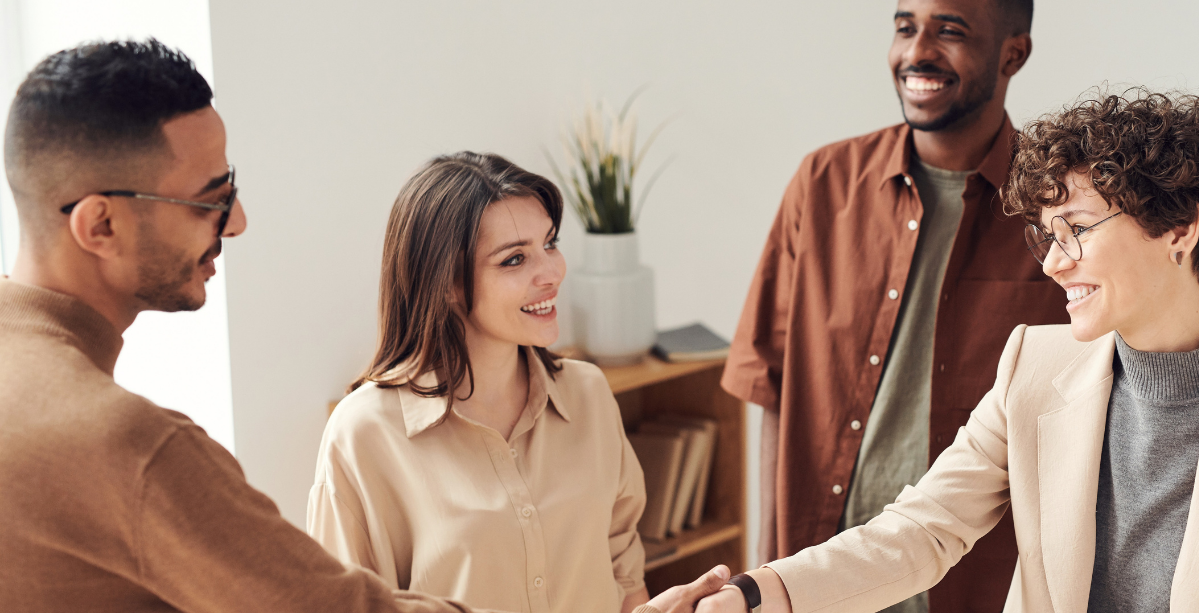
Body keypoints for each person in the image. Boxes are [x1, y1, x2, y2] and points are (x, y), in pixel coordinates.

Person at [0, 38, 725, 613]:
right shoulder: (135, 446)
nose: (239, 222)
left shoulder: (589, 396)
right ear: (99, 222)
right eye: (210, 198)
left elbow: (618, 559)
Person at [695, 89, 1199, 613]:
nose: (1052, 263)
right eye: (1047, 234)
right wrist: (756, 594)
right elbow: (920, 530)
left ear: (1179, 228)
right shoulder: (1032, 368)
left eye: (1075, 228)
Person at [721, 0, 1065, 611]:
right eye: (905, 28)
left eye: (950, 31)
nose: (917, 53)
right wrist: (769, 575)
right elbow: (771, 387)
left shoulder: (1055, 212)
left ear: (1012, 53)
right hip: (817, 577)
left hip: (976, 585)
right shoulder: (822, 185)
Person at [307, 152, 650, 613]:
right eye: (514, 259)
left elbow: (624, 577)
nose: (550, 273)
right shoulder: (364, 434)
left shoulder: (588, 394)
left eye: (550, 243)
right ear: (445, 282)